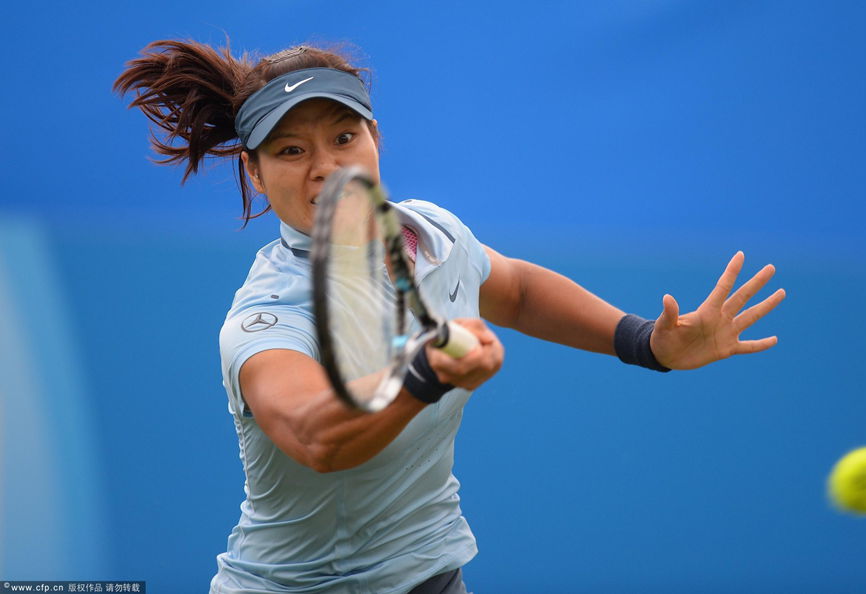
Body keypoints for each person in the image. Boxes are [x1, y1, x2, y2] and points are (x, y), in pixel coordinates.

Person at [115, 39, 785, 594]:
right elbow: (317, 439)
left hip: (432, 577)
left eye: (344, 136)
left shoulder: (429, 233)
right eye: (291, 152)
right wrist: (423, 374)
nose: (325, 168)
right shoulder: (267, 315)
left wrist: (645, 342)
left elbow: (516, 290)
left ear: (374, 138)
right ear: (256, 175)